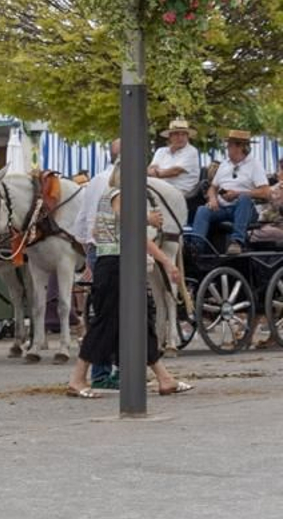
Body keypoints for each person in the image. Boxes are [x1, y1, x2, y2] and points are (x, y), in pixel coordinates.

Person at [67, 170, 191, 399]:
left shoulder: (109, 196)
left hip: (118, 264)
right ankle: (77, 378)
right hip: (117, 266)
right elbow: (131, 225)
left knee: (141, 321)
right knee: (105, 323)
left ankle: (164, 378)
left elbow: (122, 234)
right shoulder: (119, 195)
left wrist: (165, 262)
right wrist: (149, 220)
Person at [191, 130, 269, 255]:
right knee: (202, 210)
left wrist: (237, 193)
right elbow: (213, 187)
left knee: (244, 198)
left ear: (240, 147)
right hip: (223, 208)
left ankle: (236, 242)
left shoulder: (255, 165)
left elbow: (265, 192)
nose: (227, 148)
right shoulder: (224, 165)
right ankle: (195, 247)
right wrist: (212, 199)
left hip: (244, 209)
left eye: (230, 145)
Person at [147, 118, 201, 205]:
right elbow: (150, 169)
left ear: (187, 137)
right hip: (160, 187)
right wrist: (155, 172)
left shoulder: (191, 151)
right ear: (170, 137)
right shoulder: (161, 151)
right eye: (176, 134)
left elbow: (175, 171)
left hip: (180, 191)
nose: (180, 137)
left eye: (183, 134)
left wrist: (157, 173)